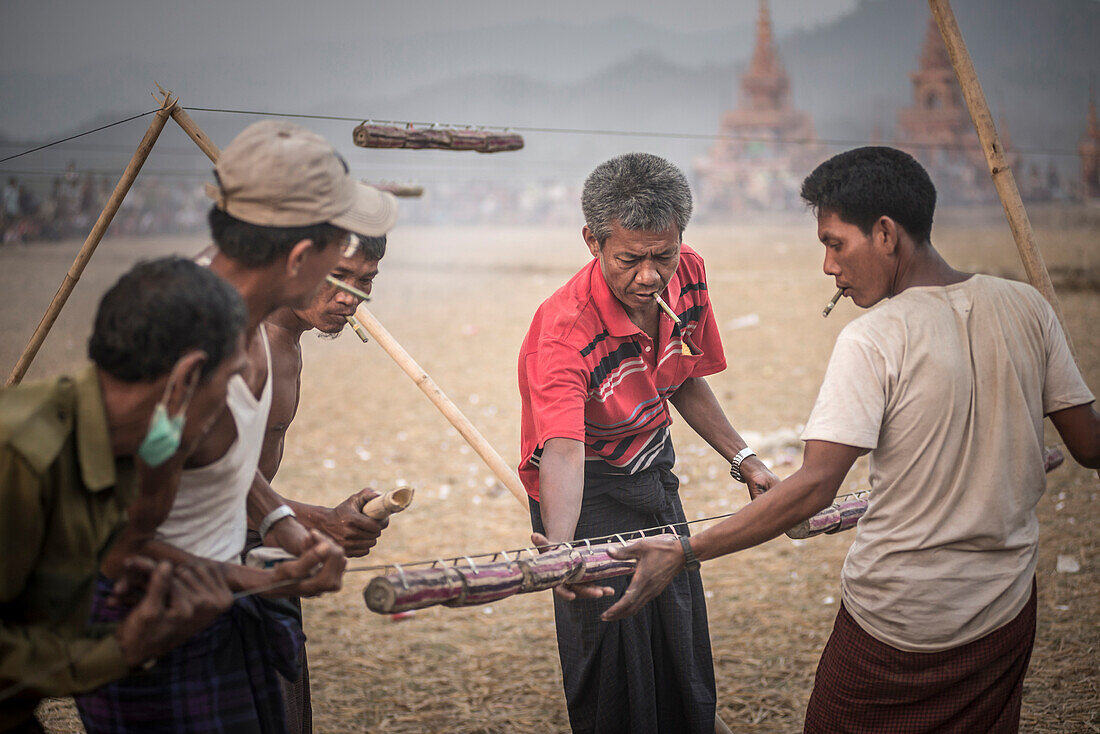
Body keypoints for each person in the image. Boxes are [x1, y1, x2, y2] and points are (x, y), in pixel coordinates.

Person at [603, 147, 1100, 733]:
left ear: (885, 233)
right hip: (1006, 606)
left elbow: (814, 487)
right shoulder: (1027, 306)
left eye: (835, 244)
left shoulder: (874, 338)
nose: (828, 267)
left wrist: (686, 551)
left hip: (897, 620)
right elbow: (1089, 446)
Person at [75, 120, 398, 734]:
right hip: (149, 621)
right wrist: (258, 573)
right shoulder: (183, 345)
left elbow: (223, 466)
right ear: (302, 257)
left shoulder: (245, 323)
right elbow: (113, 538)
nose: (353, 286)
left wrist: (286, 528)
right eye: (340, 261)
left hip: (216, 594)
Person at [518, 152, 779, 734]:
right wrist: (562, 551)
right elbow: (561, 447)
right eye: (630, 259)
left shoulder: (688, 272)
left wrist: (745, 459)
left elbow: (680, 375)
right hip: (583, 490)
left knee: (678, 639)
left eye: (662, 255)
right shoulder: (564, 331)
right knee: (607, 657)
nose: (650, 276)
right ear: (591, 241)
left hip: (653, 473)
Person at [0, 257, 247, 733]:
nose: (229, 402)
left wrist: (124, 627)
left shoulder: (113, 449)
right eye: (230, 378)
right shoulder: (20, 458)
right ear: (186, 379)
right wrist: (124, 650)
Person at [248, 233, 389, 733]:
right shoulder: (245, 344)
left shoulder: (287, 337)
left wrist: (310, 523)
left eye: (365, 280)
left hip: (254, 548)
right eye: (337, 277)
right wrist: (316, 521)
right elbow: (199, 478)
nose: (350, 297)